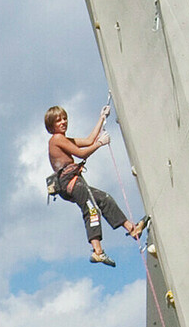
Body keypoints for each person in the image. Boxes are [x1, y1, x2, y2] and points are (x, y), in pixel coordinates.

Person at [46, 104, 143, 266]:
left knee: (104, 199)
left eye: (64, 118)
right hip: (70, 182)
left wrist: (102, 117)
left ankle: (132, 229)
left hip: (72, 181)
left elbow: (88, 140)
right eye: (58, 121)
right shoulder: (56, 139)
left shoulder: (64, 139)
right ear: (51, 125)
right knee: (91, 209)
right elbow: (81, 153)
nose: (63, 122)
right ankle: (98, 251)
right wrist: (100, 143)